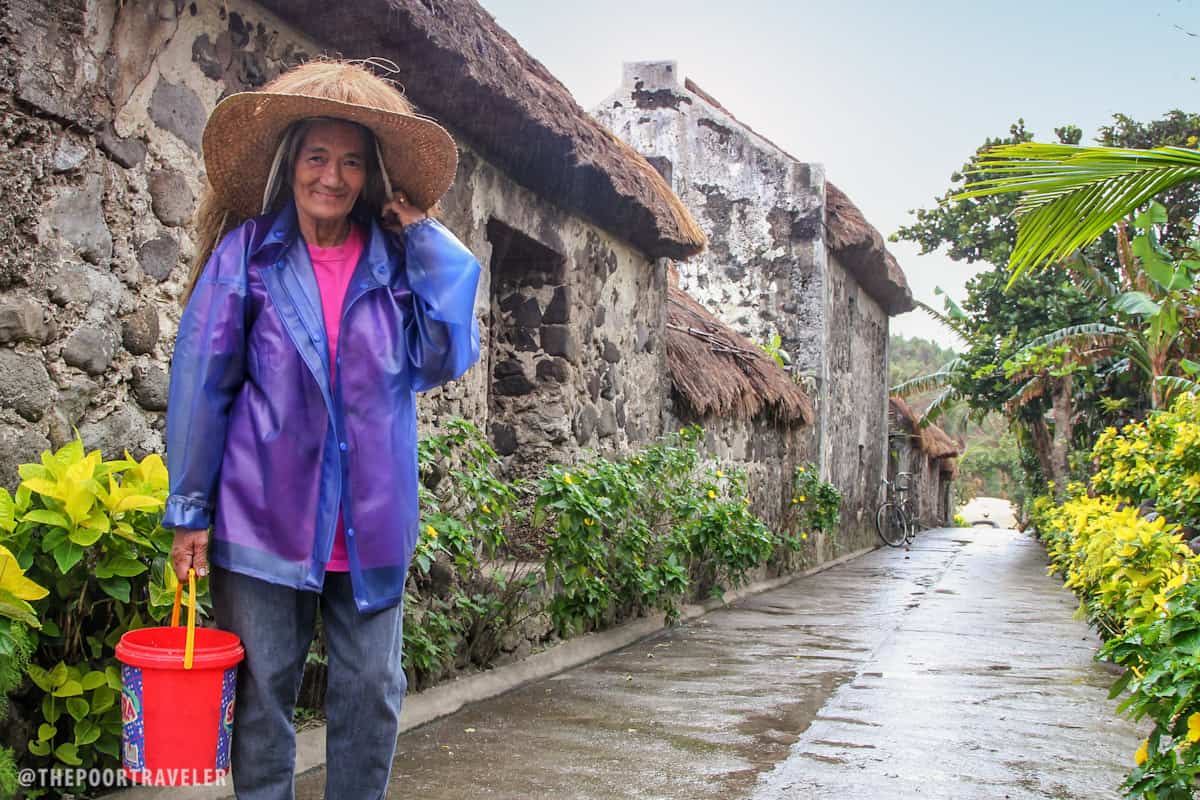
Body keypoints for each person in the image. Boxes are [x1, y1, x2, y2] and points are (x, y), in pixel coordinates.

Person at [161, 60, 481, 799]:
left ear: (370, 177)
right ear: (291, 163)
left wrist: (419, 231)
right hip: (262, 517)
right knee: (263, 699)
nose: (330, 178)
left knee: (372, 690)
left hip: (369, 524)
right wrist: (189, 513)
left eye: (350, 162)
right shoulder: (249, 258)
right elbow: (201, 386)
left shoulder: (397, 266)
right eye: (316, 157)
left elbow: (446, 351)